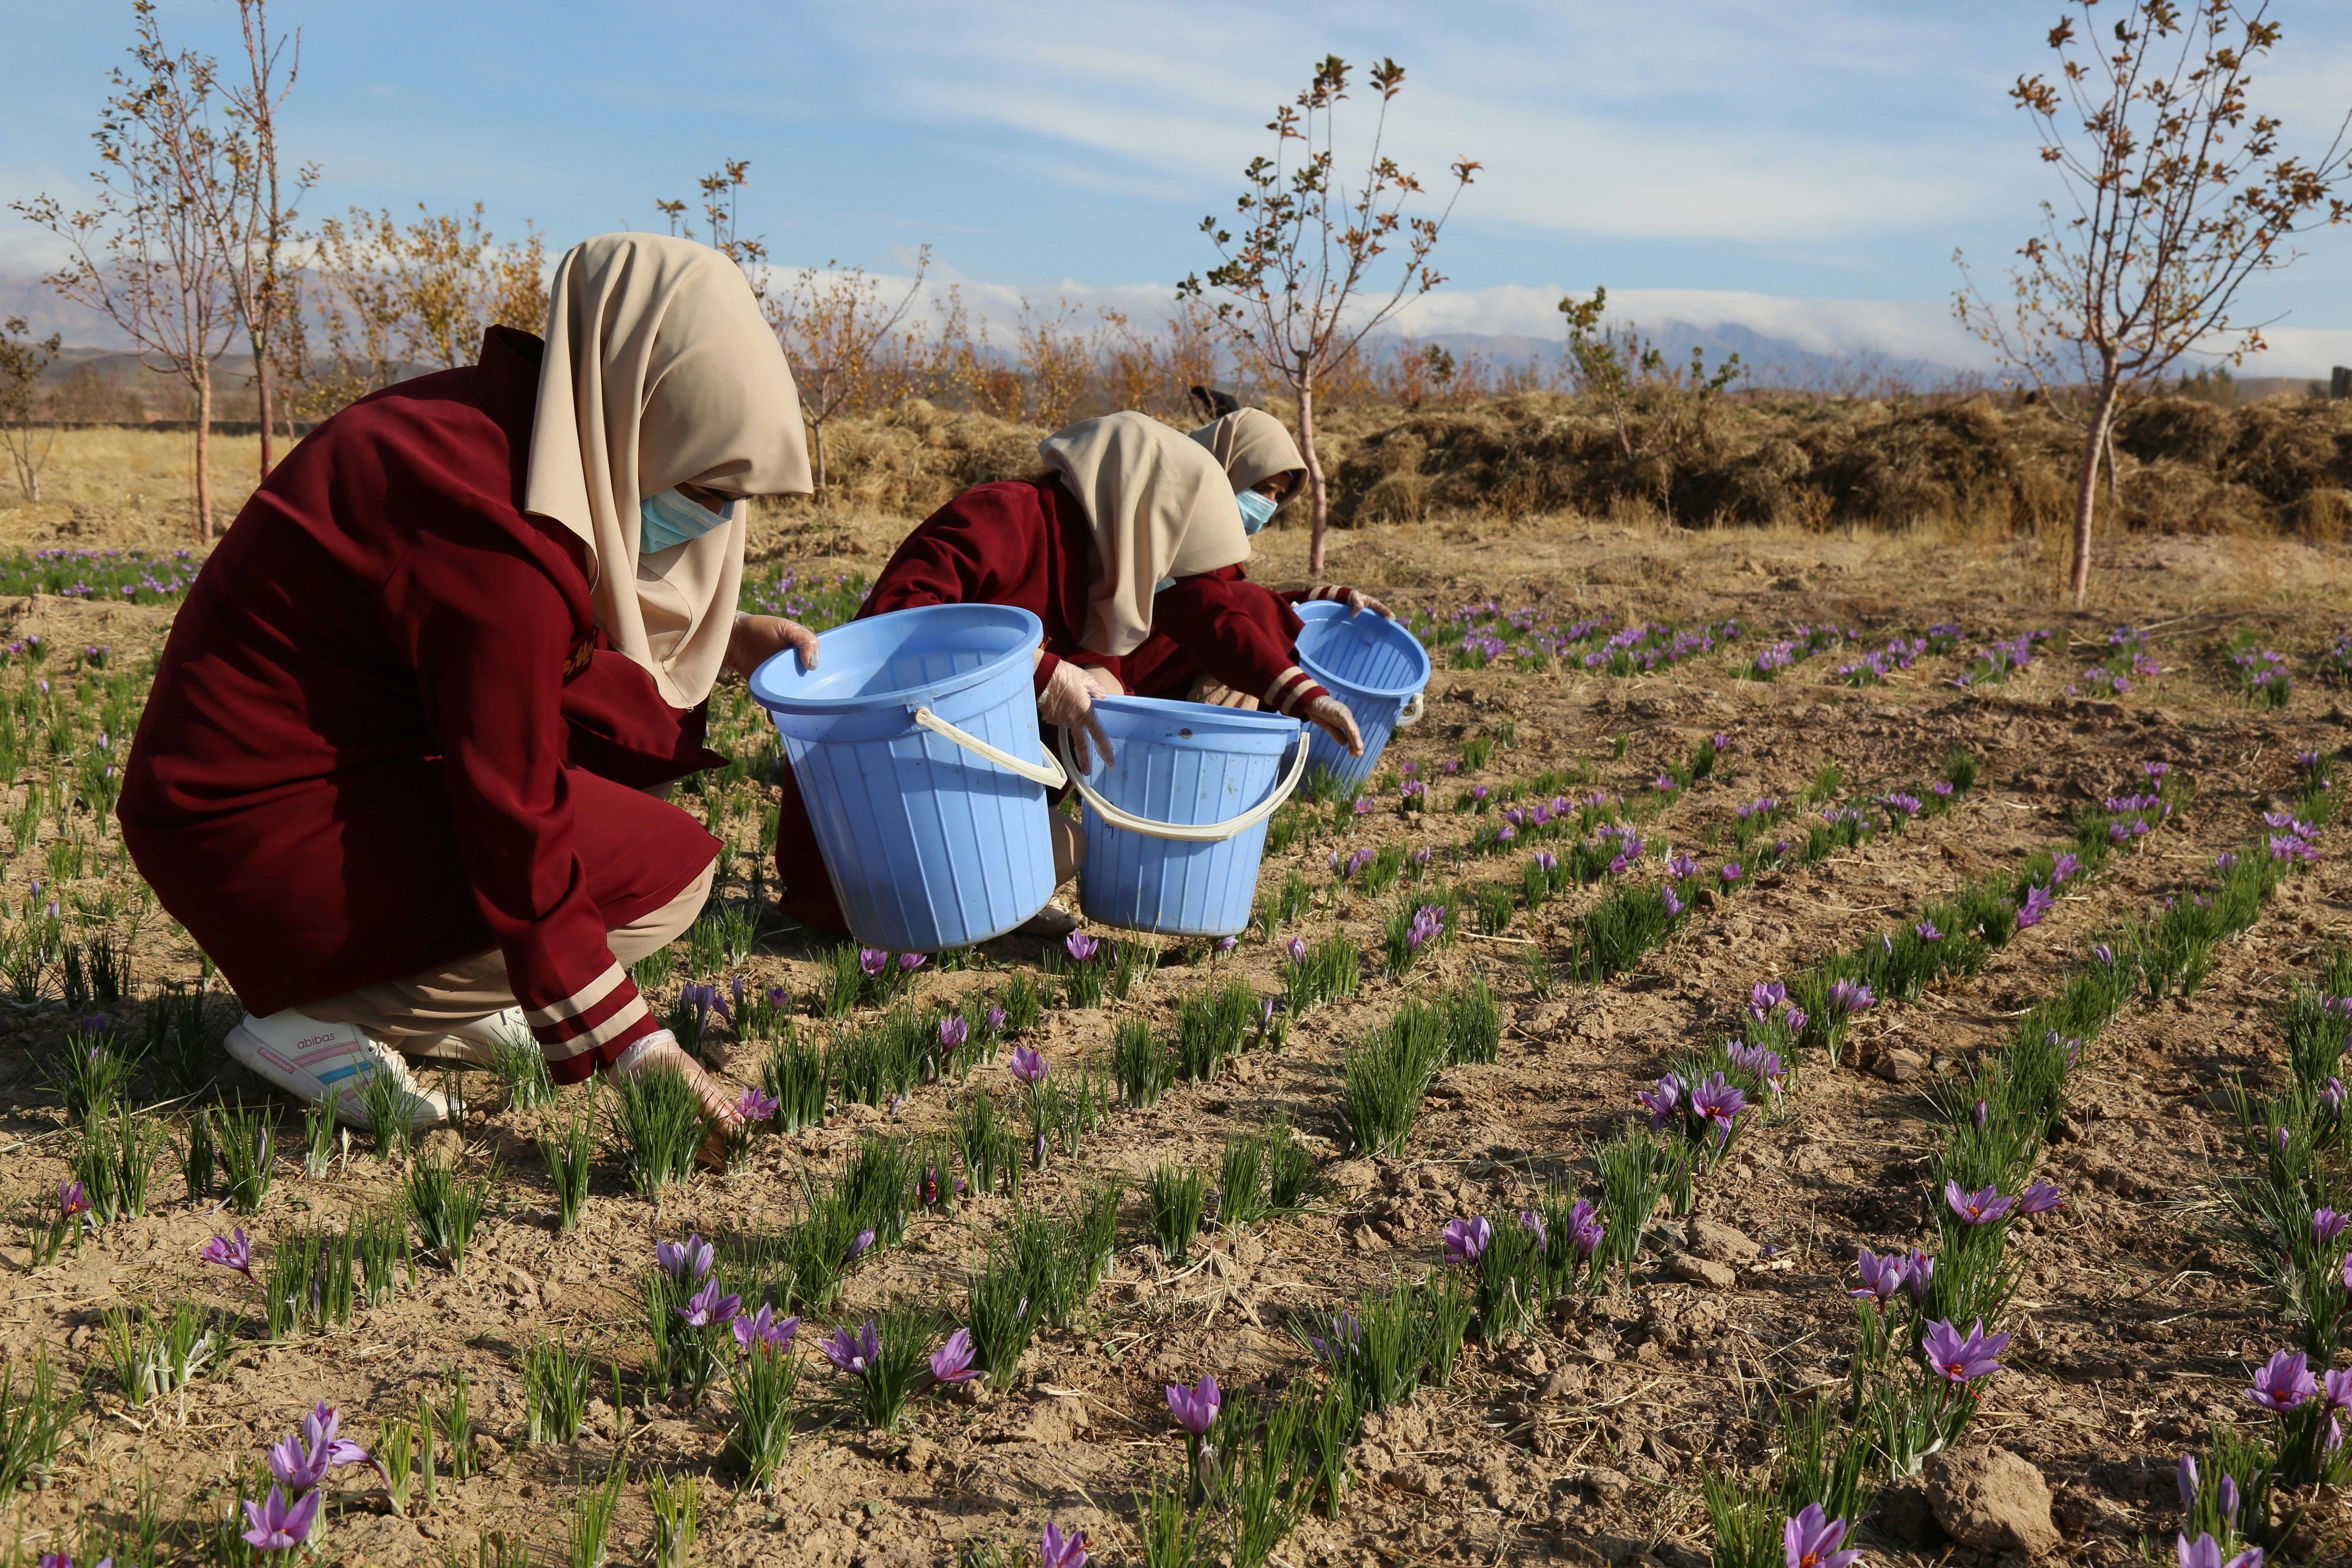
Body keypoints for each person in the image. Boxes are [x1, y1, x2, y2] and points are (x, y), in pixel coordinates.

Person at [119, 233, 822, 1132]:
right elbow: (511, 810)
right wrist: (631, 1043)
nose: (711, 518)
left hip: (282, 792)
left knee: (623, 795)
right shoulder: (492, 527)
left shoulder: (501, 435)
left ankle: (437, 994)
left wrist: (722, 641)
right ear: (635, 411)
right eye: (700, 483)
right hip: (251, 828)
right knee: (668, 874)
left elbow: (525, 658)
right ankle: (324, 1014)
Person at [770, 408, 1388, 938]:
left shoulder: (1107, 561)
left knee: (1068, 850)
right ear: (1138, 503)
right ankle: (913, 915)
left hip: (948, 782)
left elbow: (1216, 617)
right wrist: (1039, 670)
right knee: (1012, 870)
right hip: (876, 796)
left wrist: (1310, 699)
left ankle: (975, 912)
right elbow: (899, 623)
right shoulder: (1004, 518)